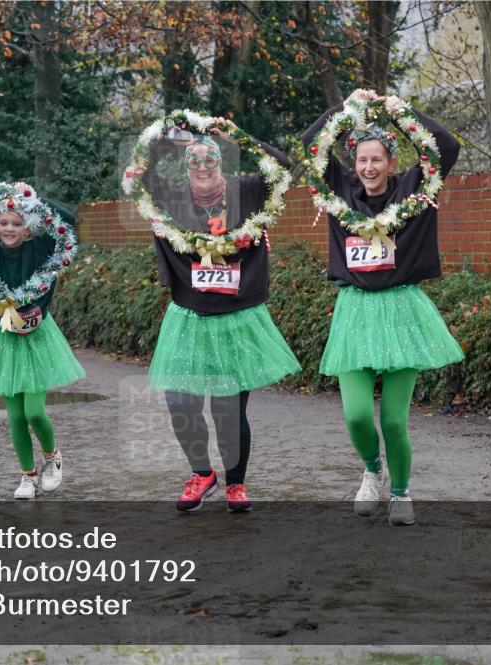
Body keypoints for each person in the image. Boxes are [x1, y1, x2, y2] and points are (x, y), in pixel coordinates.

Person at [302, 89, 463, 525]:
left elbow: (447, 147)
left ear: (392, 163)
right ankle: (372, 470)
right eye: (362, 160)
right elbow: (311, 143)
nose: (369, 167)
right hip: (355, 311)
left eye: (377, 160)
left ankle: (402, 492)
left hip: (401, 311)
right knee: (356, 416)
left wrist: (400, 112)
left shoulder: (415, 188)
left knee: (393, 421)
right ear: (353, 164)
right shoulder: (340, 191)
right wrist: (347, 108)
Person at [141, 118, 301, 512]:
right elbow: (140, 171)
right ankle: (202, 473)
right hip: (189, 318)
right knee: (181, 403)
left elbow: (284, 167)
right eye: (194, 161)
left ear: (222, 163)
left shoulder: (246, 191)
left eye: (210, 159)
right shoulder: (173, 198)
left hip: (236, 319)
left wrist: (241, 136)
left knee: (229, 409)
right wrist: (168, 135)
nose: (203, 166)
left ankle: (236, 483)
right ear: (185, 167)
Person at [0, 182, 85, 500]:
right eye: (4, 223)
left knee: (34, 412)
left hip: (36, 337)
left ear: (28, 228)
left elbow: (68, 219)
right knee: (16, 417)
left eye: (17, 223)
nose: (9, 228)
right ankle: (28, 476)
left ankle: (52, 455)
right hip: (3, 337)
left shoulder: (39, 249)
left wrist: (33, 197)